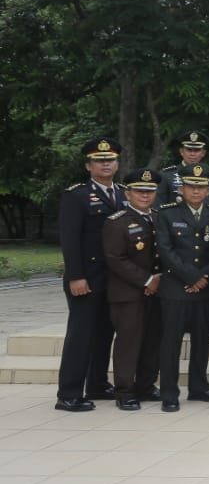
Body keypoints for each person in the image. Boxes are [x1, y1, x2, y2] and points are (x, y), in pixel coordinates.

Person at [55, 137, 124, 412]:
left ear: (117, 164)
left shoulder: (122, 194)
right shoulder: (76, 196)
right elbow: (69, 240)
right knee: (81, 335)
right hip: (86, 277)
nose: (105, 164)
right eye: (99, 160)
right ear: (88, 165)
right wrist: (75, 276)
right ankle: (69, 392)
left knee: (105, 333)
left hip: (113, 279)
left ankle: (97, 383)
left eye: (110, 160)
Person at [154, 163, 209, 412]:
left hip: (206, 288)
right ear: (182, 188)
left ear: (208, 190)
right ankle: (169, 393)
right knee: (171, 342)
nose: (196, 191)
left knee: (203, 340)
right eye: (191, 186)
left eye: (201, 187)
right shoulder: (167, 213)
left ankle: (199, 387)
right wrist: (191, 277)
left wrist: (203, 278)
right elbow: (165, 250)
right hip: (175, 287)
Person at [103, 168, 162, 411]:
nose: (145, 196)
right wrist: (147, 281)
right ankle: (125, 390)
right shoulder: (117, 221)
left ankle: (146, 385)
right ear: (127, 193)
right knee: (129, 342)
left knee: (152, 341)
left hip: (156, 291)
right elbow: (115, 258)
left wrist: (157, 280)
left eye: (150, 191)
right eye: (139, 191)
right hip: (127, 293)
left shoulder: (159, 217)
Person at [157, 130, 209, 206]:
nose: (192, 154)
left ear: (203, 153)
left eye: (196, 150)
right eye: (189, 150)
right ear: (181, 152)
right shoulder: (166, 176)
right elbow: (158, 207)